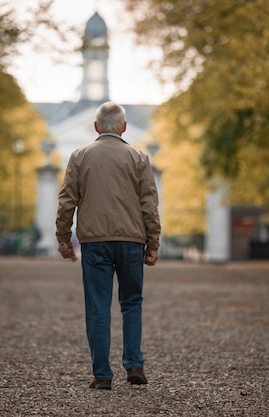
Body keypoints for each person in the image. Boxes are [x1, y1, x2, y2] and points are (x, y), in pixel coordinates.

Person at [55, 101, 161, 390]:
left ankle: (102, 374)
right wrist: (153, 242)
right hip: (131, 241)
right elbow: (149, 204)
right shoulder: (139, 158)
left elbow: (67, 202)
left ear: (96, 126)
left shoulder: (79, 156)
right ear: (124, 127)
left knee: (98, 308)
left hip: (95, 242)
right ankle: (134, 363)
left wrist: (64, 239)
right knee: (132, 303)